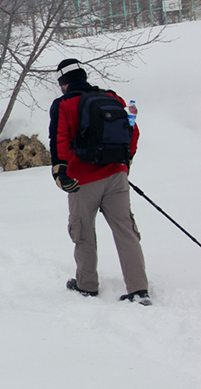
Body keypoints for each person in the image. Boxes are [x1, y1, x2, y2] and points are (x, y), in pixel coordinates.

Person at [49, 58, 150, 305]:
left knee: (83, 232)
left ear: (63, 83)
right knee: (126, 231)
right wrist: (126, 163)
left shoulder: (64, 104)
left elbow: (59, 137)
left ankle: (87, 285)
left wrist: (59, 172)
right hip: (116, 175)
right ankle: (139, 288)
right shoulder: (113, 98)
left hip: (81, 180)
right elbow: (132, 131)